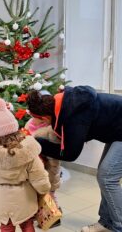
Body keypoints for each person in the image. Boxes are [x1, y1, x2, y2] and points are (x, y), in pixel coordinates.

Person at [26, 86, 122, 232]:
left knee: (107, 178)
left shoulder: (73, 116)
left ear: (44, 118)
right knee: (104, 176)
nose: (34, 122)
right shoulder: (65, 103)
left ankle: (118, 226)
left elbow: (70, 154)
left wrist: (38, 144)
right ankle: (106, 223)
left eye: (34, 119)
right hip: (117, 131)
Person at [0, 97, 51, 232]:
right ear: (15, 128)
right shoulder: (27, 152)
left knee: (6, 226)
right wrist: (44, 189)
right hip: (24, 198)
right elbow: (38, 176)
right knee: (27, 225)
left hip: (0, 200)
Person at [25, 113, 62, 228]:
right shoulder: (29, 124)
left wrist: (50, 181)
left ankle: (54, 218)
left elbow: (54, 162)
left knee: (49, 195)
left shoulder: (50, 131)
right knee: (39, 195)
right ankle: (43, 215)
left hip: (48, 171)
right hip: (35, 170)